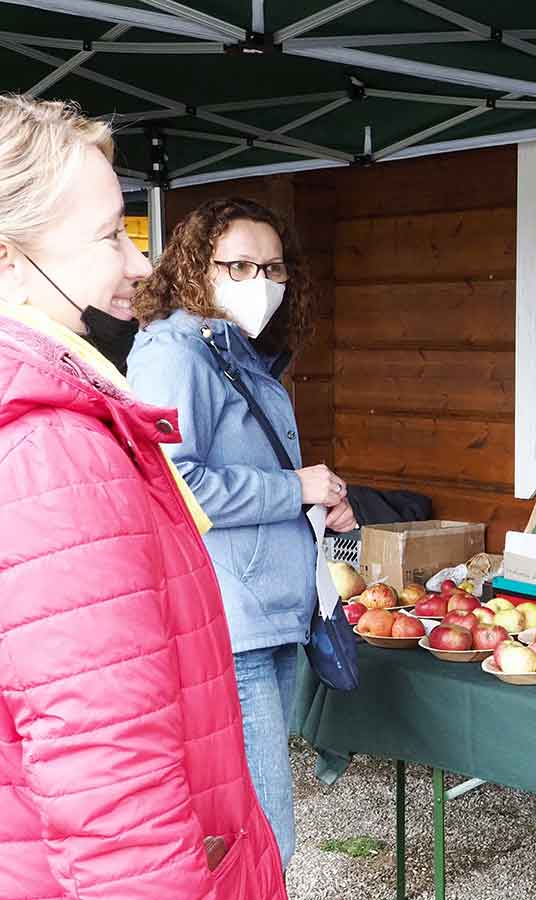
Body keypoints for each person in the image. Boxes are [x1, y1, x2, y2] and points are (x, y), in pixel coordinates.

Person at [0, 95, 286, 899]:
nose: (137, 263)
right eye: (106, 237)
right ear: (6, 260)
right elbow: (107, 773)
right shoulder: (48, 449)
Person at [127, 197, 356, 869]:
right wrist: (294, 489)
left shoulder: (235, 351)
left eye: (275, 267)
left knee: (251, 824)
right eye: (241, 265)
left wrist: (317, 505)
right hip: (231, 622)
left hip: (265, 612)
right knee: (264, 834)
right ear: (199, 266)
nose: (262, 282)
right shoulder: (176, 353)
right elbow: (172, 483)